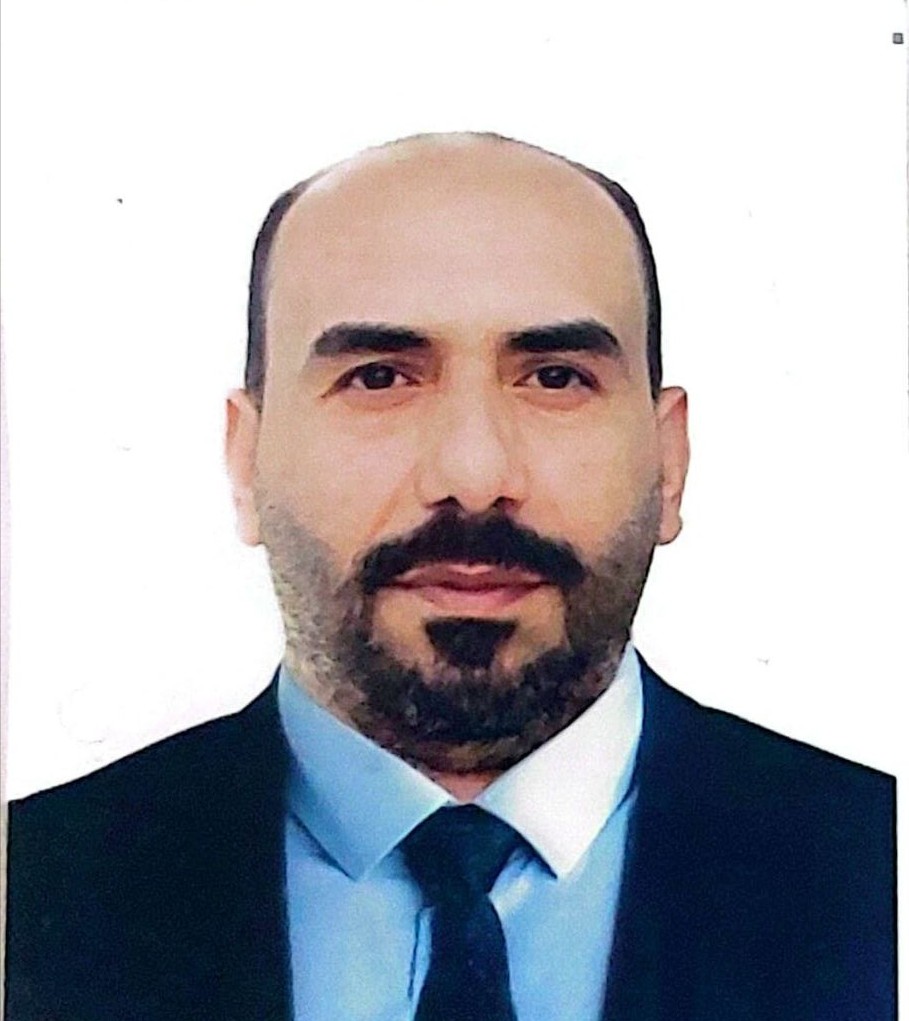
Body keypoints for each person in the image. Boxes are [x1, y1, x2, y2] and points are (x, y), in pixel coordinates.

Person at [4, 132, 895, 1020]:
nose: (473, 473)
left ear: (669, 461)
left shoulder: (874, 871)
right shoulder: (33, 889)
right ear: (246, 462)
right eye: (379, 377)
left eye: (554, 378)